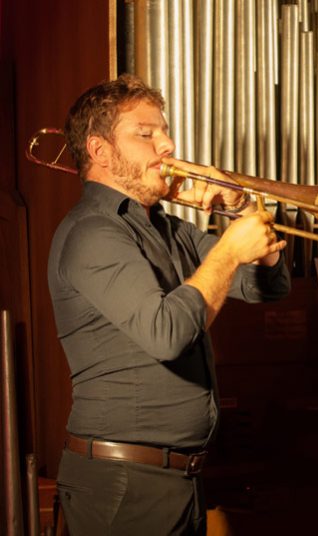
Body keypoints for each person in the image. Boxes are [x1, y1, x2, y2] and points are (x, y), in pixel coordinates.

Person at [48, 74, 290, 535]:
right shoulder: (92, 233)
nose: (168, 144)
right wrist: (226, 250)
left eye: (164, 131)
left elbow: (266, 287)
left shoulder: (168, 228)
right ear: (100, 152)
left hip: (178, 478)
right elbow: (167, 334)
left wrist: (238, 207)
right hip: (124, 484)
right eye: (146, 134)